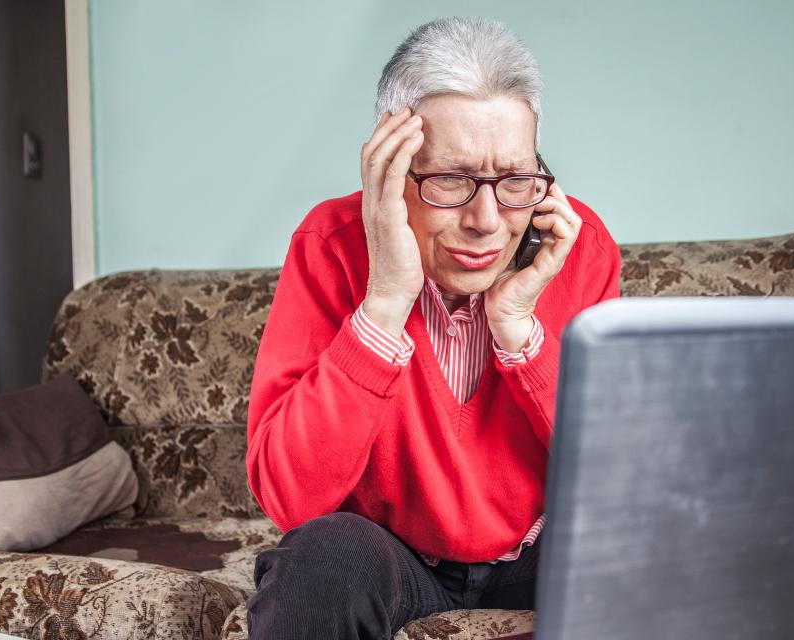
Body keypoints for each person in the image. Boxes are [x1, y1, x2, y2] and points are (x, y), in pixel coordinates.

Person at [245, 17, 621, 640]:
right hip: (393, 554)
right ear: (389, 171)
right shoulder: (331, 245)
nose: (487, 220)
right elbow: (291, 498)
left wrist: (517, 326)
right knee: (322, 561)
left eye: (515, 180)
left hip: (544, 548)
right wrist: (386, 301)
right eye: (450, 179)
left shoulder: (577, 246)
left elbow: (619, 473)